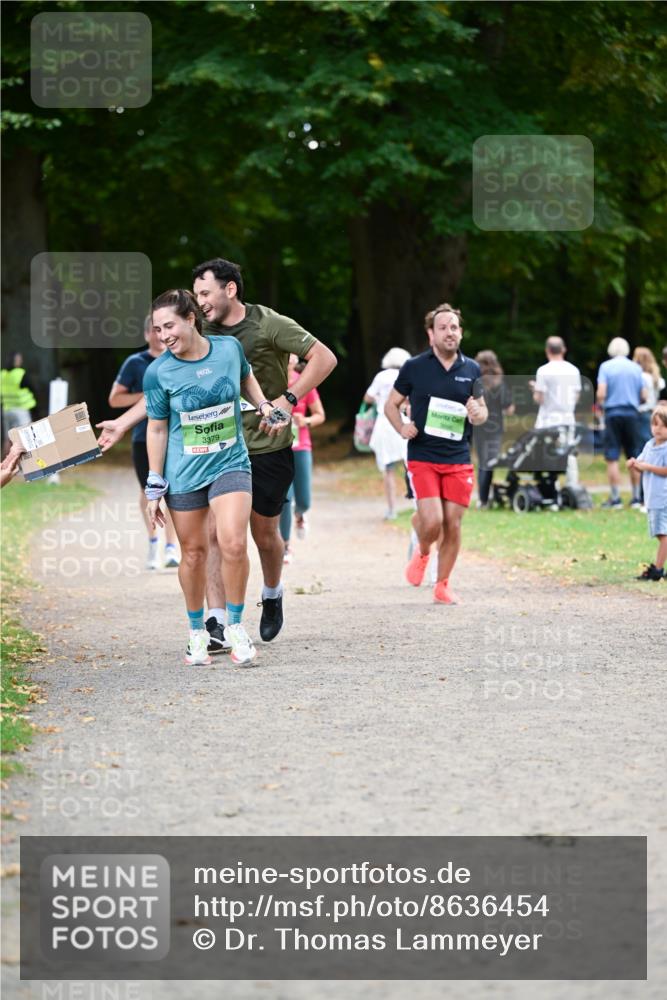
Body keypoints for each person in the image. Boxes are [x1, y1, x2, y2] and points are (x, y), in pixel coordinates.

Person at [96, 258, 337, 650]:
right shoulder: (198, 328)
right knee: (214, 535)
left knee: (263, 533)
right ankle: (217, 622)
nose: (200, 300)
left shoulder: (267, 323)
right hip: (214, 452)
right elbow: (166, 387)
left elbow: (325, 358)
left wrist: (288, 400)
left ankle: (273, 592)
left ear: (230, 290)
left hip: (266, 444)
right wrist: (123, 423)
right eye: (197, 295)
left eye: (206, 292)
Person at [143, 289, 287, 666]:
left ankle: (236, 627)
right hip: (185, 472)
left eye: (169, 325)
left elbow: (247, 377)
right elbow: (157, 430)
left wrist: (263, 405)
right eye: (158, 329)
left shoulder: (227, 350)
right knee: (193, 553)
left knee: (234, 543)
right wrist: (154, 483)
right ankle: (196, 633)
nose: (163, 336)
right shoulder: (158, 372)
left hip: (230, 463)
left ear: (191, 319)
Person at [385, 303, 487, 605]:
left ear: (461, 333)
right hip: (423, 455)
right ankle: (423, 551)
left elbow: (482, 413)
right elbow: (390, 405)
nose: (449, 332)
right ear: (431, 334)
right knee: (433, 522)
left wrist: (476, 411)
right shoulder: (414, 367)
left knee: (452, 524)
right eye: (443, 327)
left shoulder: (472, 369)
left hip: (458, 457)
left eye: (454, 327)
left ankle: (442, 585)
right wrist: (402, 427)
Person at [109, 316, 180, 570]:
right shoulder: (135, 363)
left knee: (173, 491)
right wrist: (150, 395)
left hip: (176, 434)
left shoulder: (178, 359)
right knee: (149, 491)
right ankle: (153, 543)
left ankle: (172, 547)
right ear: (146, 334)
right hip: (143, 437)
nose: (158, 334)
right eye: (153, 330)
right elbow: (115, 400)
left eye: (163, 329)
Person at [279, 354, 326, 563]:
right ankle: (286, 546)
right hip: (279, 447)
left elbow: (320, 415)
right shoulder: (272, 380)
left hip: (301, 446)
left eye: (291, 352)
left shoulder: (305, 382)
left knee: (304, 499)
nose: (288, 356)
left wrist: (304, 420)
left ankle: (301, 514)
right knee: (285, 498)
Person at [596, 337, 646, 509]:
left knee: (612, 456)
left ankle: (616, 498)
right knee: (634, 455)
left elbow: (601, 393)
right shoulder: (636, 368)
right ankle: (636, 498)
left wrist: (601, 406)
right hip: (632, 414)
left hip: (612, 414)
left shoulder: (605, 367)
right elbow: (644, 395)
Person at [363, 347, 412, 520]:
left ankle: (392, 509)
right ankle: (415, 501)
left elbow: (368, 397)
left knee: (388, 469)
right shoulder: (406, 375)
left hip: (385, 423)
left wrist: (379, 399)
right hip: (404, 422)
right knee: (411, 465)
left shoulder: (381, 377)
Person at [628, 405, 667, 581]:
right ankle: (658, 568)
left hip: (663, 497)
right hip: (652, 497)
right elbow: (640, 467)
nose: (658, 429)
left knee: (663, 534)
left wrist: (646, 467)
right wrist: (634, 465)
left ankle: (658, 570)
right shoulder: (649, 445)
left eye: (663, 426)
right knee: (660, 534)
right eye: (655, 424)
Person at [473, 349, 514, 507]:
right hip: (495, 428)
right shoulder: (499, 383)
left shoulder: (475, 381)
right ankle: (485, 498)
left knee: (483, 461)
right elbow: (509, 408)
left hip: (478, 427)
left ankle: (482, 499)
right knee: (490, 462)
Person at [1, 352, 37, 454]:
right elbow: (31, 387)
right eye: (19, 359)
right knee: (27, 434)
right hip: (20, 410)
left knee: (7, 438)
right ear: (14, 361)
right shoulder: (20, 373)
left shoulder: (2, 374)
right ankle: (31, 458)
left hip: (6, 410)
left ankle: (5, 463)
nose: (21, 361)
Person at [632, 346, 665, 445]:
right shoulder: (656, 378)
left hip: (640, 412)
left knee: (640, 443)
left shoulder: (639, 377)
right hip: (652, 413)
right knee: (650, 441)